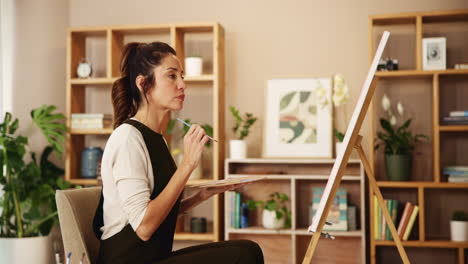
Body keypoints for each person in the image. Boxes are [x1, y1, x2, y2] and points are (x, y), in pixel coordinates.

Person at [93, 41, 264, 264]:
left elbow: (160, 211)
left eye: (181, 76)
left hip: (153, 256)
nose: (182, 84)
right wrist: (187, 165)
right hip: (129, 259)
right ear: (144, 84)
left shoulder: (157, 139)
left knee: (247, 249)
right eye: (172, 76)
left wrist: (202, 196)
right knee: (244, 255)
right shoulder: (127, 138)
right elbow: (144, 227)